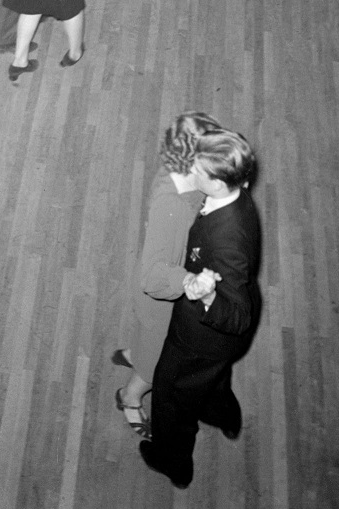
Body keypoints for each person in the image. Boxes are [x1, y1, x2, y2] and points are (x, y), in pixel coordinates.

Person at [140, 129, 262, 488]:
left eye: (199, 169)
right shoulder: (236, 201)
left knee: (170, 395)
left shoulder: (230, 241)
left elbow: (238, 317)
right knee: (211, 379)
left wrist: (206, 296)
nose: (190, 168)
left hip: (202, 337)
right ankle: (224, 415)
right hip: (216, 348)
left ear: (221, 182)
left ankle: (173, 463)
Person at [112, 112, 222, 440]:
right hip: (161, 306)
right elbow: (154, 279)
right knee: (156, 361)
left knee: (148, 343)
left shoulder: (173, 173)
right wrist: (190, 283)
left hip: (155, 303)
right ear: (194, 164)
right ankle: (129, 397)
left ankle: (135, 352)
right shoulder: (170, 209)